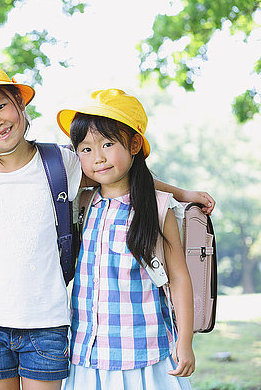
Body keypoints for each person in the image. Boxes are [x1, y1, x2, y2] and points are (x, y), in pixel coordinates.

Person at [0, 64, 214, 390]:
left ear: (19, 102)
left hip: (55, 324)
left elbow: (126, 177)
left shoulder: (61, 163)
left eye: (1, 105)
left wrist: (181, 194)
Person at [57, 88, 197, 389]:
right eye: (86, 149)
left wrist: (185, 340)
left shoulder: (158, 208)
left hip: (145, 351)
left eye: (108, 144)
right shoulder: (83, 203)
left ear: (134, 144)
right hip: (88, 352)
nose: (98, 158)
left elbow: (180, 278)